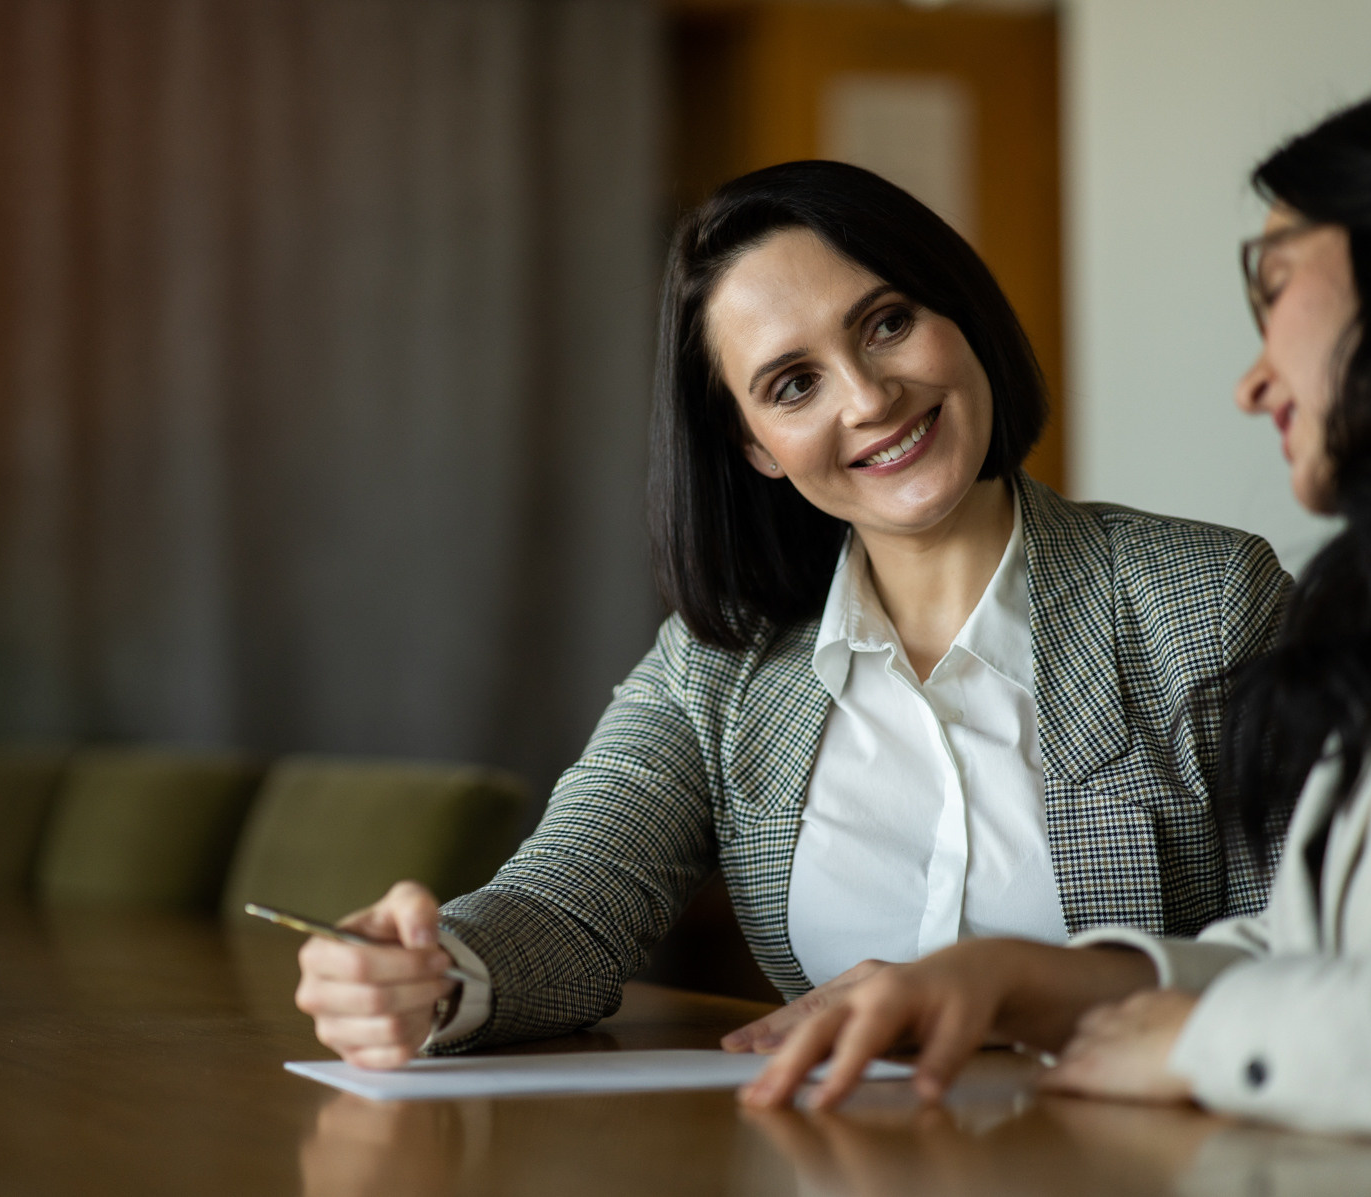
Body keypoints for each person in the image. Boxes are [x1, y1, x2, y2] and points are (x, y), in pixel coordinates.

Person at [740, 73, 1371, 1142]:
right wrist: (1018, 979)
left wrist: (1188, 1042)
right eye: (788, 384)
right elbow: (1313, 951)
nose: (1251, 381)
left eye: (1275, 283)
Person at [293, 160, 1290, 1067]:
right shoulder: (718, 664)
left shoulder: (1204, 599)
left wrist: (1022, 998)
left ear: (959, 314)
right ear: (757, 447)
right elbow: (569, 906)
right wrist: (431, 973)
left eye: (886, 322)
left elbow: (1310, 949)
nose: (866, 396)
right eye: (792, 383)